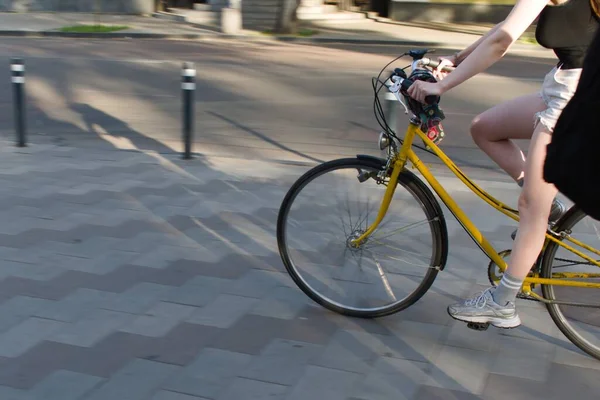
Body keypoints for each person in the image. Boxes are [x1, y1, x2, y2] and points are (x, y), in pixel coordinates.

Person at [407, 0, 600, 328]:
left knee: (529, 208)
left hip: (573, 101)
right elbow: (502, 29)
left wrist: (441, 86)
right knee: (485, 128)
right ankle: (548, 209)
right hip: (563, 88)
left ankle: (502, 302)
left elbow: (502, 41)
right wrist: (457, 59)